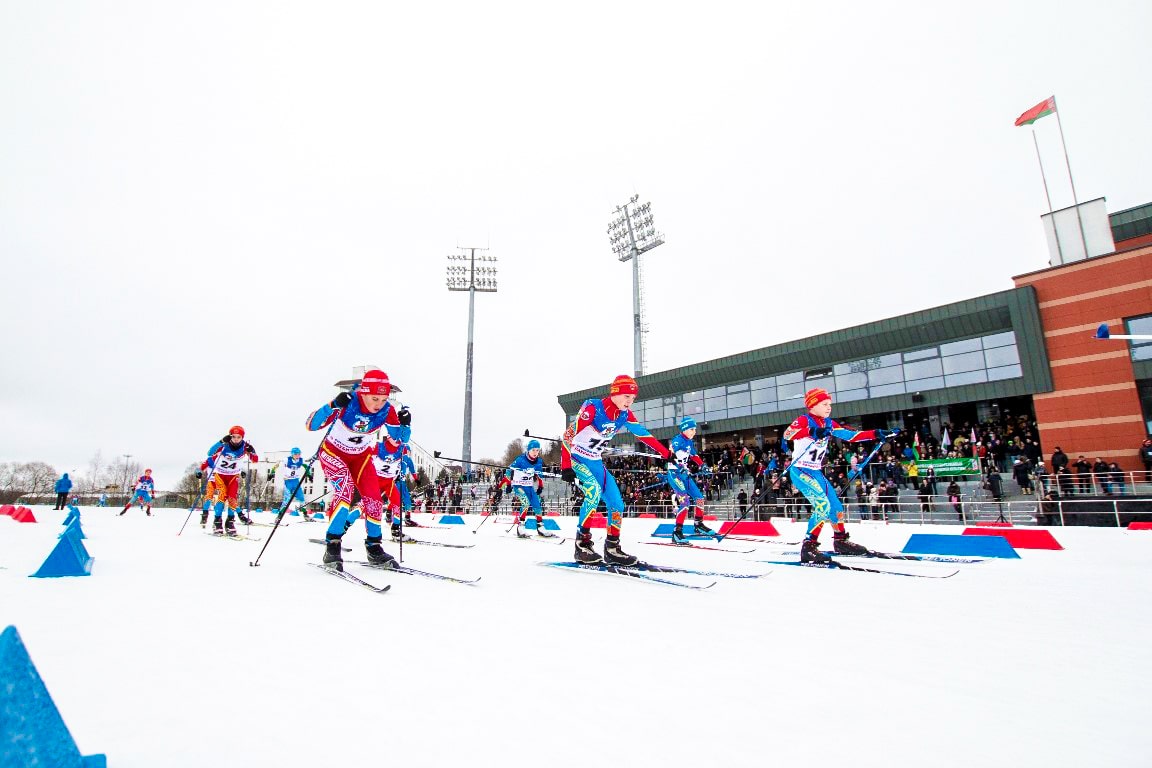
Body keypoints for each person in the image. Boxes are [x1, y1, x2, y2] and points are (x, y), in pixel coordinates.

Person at [561, 374, 671, 565]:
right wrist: (566, 466)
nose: (630, 401)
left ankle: (612, 548)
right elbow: (567, 436)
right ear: (615, 393)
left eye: (633, 398)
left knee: (616, 503)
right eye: (627, 396)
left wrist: (666, 453)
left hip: (595, 461)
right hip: (578, 457)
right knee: (593, 494)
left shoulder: (624, 414)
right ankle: (582, 545)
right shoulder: (594, 408)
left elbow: (643, 435)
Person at [307, 369, 410, 570]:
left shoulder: (387, 410)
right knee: (344, 492)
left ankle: (374, 548)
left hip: (360, 458)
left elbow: (400, 440)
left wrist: (406, 424)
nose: (378, 404)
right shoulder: (349, 402)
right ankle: (333, 546)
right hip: (333, 454)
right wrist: (332, 406)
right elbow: (311, 425)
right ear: (363, 392)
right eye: (374, 398)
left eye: (383, 399)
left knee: (374, 500)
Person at [783, 388, 897, 563]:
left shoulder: (828, 423)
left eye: (830, 404)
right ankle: (809, 546)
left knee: (836, 507)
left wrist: (876, 434)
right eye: (825, 404)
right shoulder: (804, 420)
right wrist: (811, 432)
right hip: (800, 470)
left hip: (815, 471)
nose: (829, 407)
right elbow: (788, 434)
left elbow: (850, 435)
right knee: (822, 505)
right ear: (813, 405)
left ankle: (840, 541)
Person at [198, 427, 258, 535]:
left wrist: (252, 451)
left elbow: (255, 460)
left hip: (233, 476)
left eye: (238, 437)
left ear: (242, 437)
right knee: (222, 496)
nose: (236, 439)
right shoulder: (224, 444)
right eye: (233, 437)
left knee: (232, 498)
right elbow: (210, 453)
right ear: (230, 436)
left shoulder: (245, 447)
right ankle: (217, 522)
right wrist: (220, 442)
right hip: (220, 475)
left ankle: (230, 522)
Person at [663, 416, 710, 544]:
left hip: (684, 474)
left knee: (699, 498)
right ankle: (677, 533)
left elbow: (694, 455)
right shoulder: (678, 441)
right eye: (691, 429)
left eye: (695, 429)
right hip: (675, 474)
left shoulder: (689, 441)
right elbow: (671, 454)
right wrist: (679, 467)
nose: (694, 431)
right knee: (685, 503)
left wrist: (702, 465)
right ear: (684, 429)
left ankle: (698, 524)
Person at [500, 439, 553, 538]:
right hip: (518, 486)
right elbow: (508, 470)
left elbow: (539, 475)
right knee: (525, 502)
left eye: (537, 450)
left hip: (529, 486)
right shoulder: (520, 460)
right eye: (533, 450)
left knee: (537, 504)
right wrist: (508, 484)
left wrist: (541, 486)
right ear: (528, 450)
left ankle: (540, 527)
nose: (535, 452)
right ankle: (521, 526)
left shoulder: (539, 462)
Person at [276, 447, 310, 517]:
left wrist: (309, 475)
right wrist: (272, 473)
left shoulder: (301, 460)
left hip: (296, 482)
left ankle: (305, 515)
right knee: (287, 500)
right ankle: (279, 515)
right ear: (292, 454)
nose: (298, 456)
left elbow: (306, 466)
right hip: (288, 482)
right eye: (296, 454)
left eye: (299, 454)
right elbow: (277, 464)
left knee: (301, 498)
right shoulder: (287, 460)